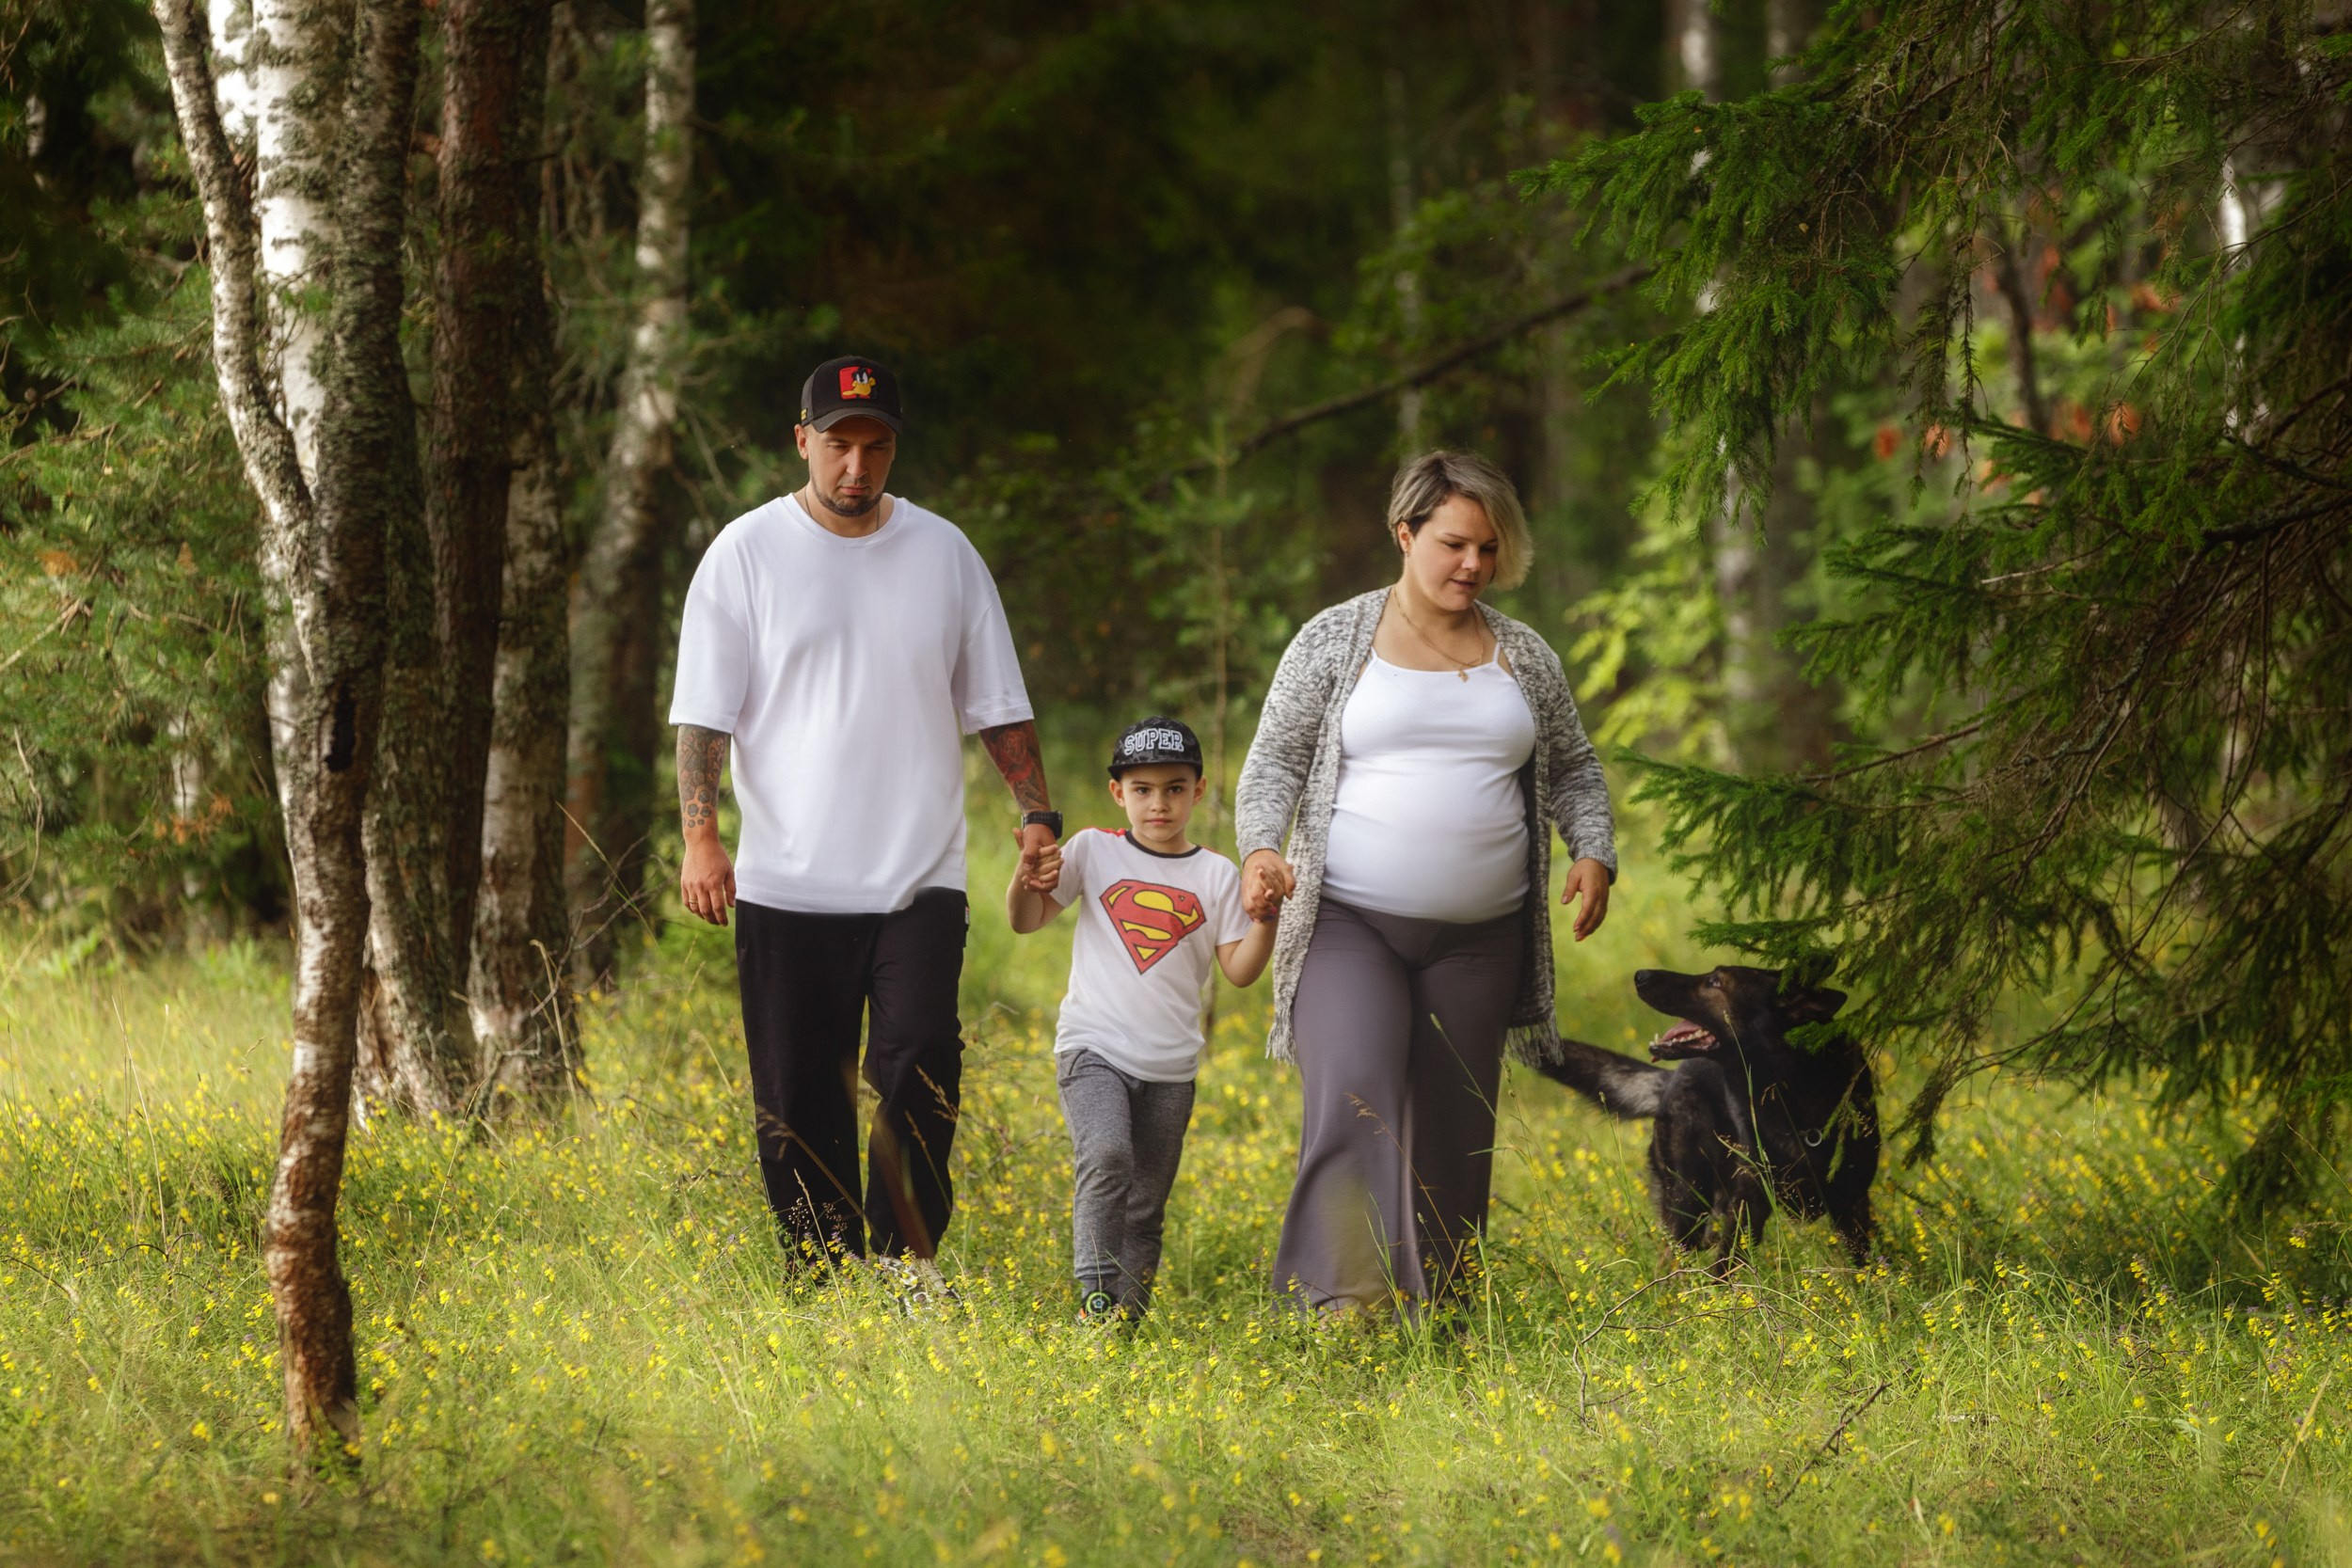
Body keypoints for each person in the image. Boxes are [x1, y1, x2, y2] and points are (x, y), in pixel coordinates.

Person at [669, 355, 1064, 1273]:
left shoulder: (945, 554)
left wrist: (1037, 810)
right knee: (802, 1093)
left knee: (922, 1061)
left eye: (876, 446)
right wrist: (700, 836)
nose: (856, 465)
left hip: (916, 876)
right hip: (787, 882)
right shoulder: (745, 554)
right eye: (838, 444)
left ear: (895, 448)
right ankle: (823, 1274)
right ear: (801, 440)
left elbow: (998, 704)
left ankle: (905, 1260)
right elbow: (703, 716)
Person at [1233, 450, 1617, 1317]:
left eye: (1487, 547)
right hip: (1347, 923)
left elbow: (1577, 769)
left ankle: (1439, 1314)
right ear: (1405, 535)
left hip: (1482, 936)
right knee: (1356, 1089)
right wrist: (1261, 848)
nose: (1473, 565)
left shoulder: (1523, 653)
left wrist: (1593, 849)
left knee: (1454, 1129)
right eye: (1453, 544)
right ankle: (1336, 1307)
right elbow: (1273, 766)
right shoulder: (1334, 640)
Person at [1007, 717, 1275, 1320]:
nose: (1159, 803)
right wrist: (1027, 876)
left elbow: (1239, 971)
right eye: (1144, 789)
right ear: (1118, 792)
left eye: (1175, 788)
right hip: (1092, 1046)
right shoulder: (1092, 851)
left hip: (1171, 1066)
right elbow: (1026, 920)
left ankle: (1121, 1329)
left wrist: (1267, 918)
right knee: (1106, 1155)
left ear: (1199, 790)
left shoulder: (1216, 875)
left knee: (1146, 1204)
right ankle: (1095, 1298)